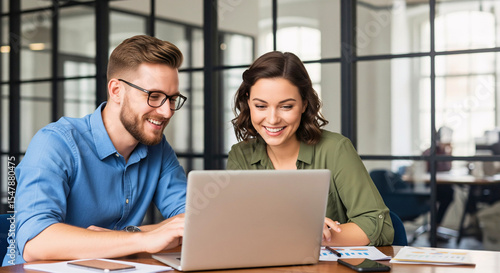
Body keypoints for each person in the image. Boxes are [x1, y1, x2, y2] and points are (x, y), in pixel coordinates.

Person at [4, 35, 188, 265]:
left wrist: (134, 234)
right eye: (154, 96)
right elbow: (35, 242)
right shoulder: (54, 143)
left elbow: (193, 221)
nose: (167, 112)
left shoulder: (158, 149)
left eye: (172, 99)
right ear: (116, 90)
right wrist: (145, 240)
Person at [227, 51, 394, 246]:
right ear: (248, 102)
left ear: (304, 104)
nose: (272, 119)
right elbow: (235, 227)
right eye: (261, 106)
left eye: (286, 106)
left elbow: (379, 225)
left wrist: (313, 235)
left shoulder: (336, 149)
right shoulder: (241, 155)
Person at [422, 126, 454, 227]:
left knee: (449, 192)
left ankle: (436, 226)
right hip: (426, 186)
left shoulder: (443, 151)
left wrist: (449, 152)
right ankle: (435, 226)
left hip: (438, 184)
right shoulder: (429, 152)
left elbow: (448, 167)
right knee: (448, 194)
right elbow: (426, 170)